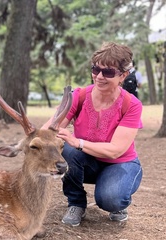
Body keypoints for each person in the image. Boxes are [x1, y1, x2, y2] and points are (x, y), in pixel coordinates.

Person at [42, 42, 143, 227]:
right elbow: (51, 129)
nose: (99, 77)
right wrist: (34, 138)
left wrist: (77, 141)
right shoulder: (78, 96)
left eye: (108, 72)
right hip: (87, 162)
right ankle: (76, 204)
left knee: (110, 199)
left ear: (123, 75)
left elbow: (115, 150)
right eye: (96, 70)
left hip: (120, 163)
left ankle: (118, 201)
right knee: (67, 150)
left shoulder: (132, 105)